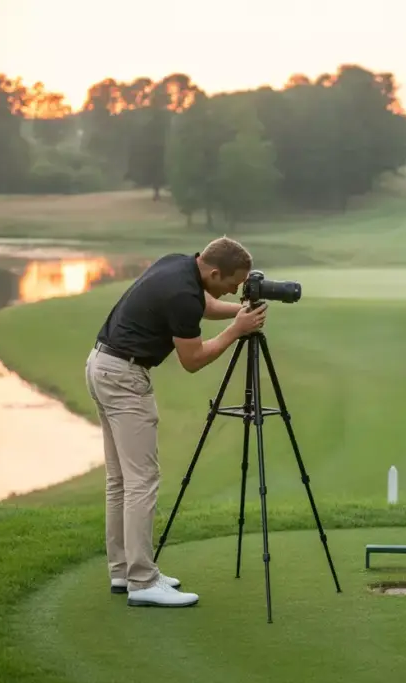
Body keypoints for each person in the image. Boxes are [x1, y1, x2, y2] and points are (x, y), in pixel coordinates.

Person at [83, 237, 268, 608]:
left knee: (121, 480)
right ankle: (142, 581)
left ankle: (125, 571)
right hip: (125, 379)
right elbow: (193, 359)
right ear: (214, 271)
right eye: (233, 282)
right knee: (141, 481)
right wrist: (238, 330)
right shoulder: (182, 295)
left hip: (101, 366)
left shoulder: (180, 265)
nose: (236, 289)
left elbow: (206, 304)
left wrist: (238, 312)